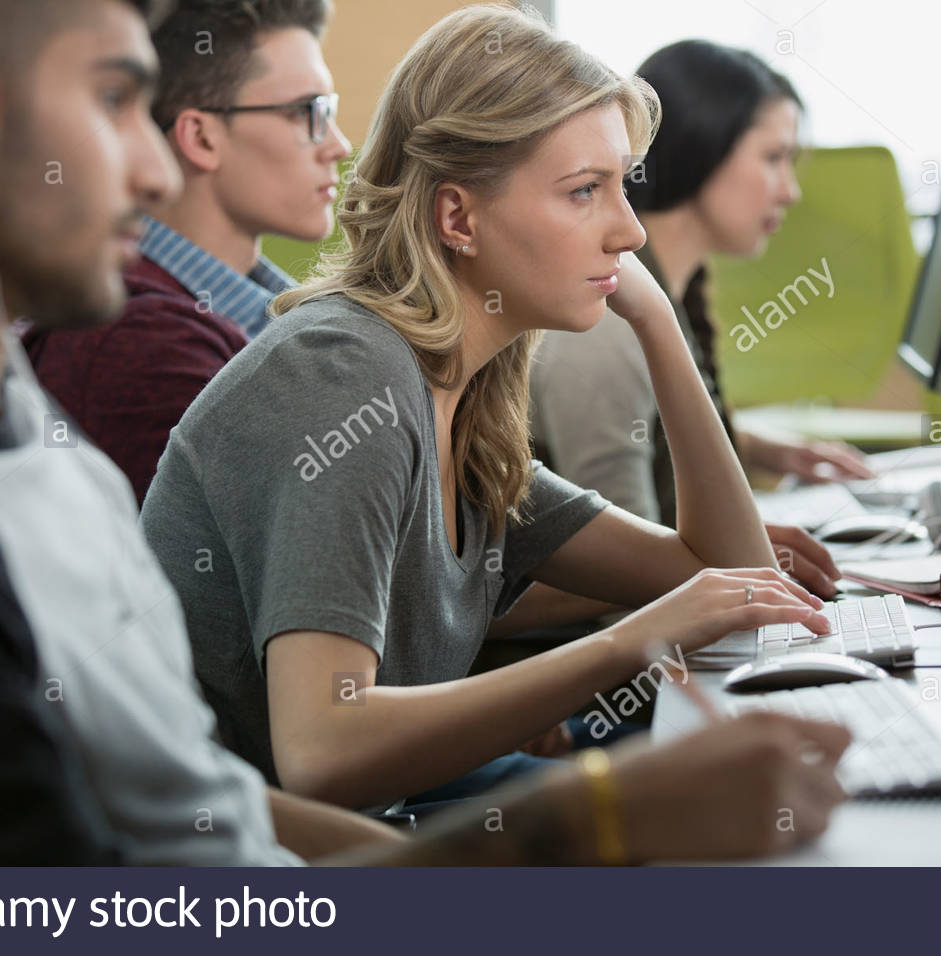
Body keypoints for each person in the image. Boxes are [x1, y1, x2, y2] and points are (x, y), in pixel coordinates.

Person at [0, 0, 847, 866]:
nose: (152, 166)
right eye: (113, 99)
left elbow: (208, 801)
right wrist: (578, 817)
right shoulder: (344, 372)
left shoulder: (30, 444)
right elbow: (295, 765)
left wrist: (656, 318)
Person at [140, 4, 841, 813]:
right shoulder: (344, 375)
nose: (630, 232)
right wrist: (627, 642)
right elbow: (321, 751)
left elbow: (730, 581)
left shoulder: (463, 401)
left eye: (623, 188)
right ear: (457, 217)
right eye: (585, 192)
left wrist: (658, 326)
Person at [531, 40, 873, 597]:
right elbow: (623, 588)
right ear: (702, 148)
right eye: (773, 158)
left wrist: (759, 446)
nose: (791, 190)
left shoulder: (664, 294)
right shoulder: (610, 323)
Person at [24, 0, 350, 505]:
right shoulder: (142, 343)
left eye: (329, 111)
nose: (339, 144)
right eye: (307, 113)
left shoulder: (280, 322)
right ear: (200, 137)